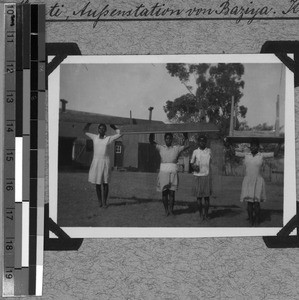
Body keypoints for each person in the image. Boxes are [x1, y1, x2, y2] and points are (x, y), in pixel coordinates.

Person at [234, 138, 281, 226]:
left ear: (258, 147)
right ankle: (251, 219)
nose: (253, 147)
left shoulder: (261, 155)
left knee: (256, 202)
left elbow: (275, 153)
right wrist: (227, 144)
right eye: (252, 146)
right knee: (249, 203)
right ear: (250, 147)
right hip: (248, 181)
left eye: (255, 146)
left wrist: (279, 143)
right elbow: (234, 153)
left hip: (258, 180)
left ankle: (257, 220)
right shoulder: (246, 155)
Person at [149, 132, 189, 216]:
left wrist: (186, 136)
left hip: (173, 172)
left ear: (172, 140)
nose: (168, 140)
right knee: (164, 192)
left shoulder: (176, 148)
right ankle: (166, 210)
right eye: (167, 138)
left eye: (170, 138)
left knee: (172, 193)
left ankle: (171, 210)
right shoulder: (161, 148)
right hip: (163, 172)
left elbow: (187, 145)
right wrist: (152, 132)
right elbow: (151, 142)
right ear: (164, 139)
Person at [83, 123, 122, 208]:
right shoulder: (94, 137)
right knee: (97, 183)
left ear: (105, 130)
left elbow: (119, 134)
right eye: (100, 128)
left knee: (105, 183)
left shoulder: (108, 139)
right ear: (98, 130)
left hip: (105, 162)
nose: (101, 130)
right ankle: (99, 201)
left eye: (103, 129)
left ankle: (104, 202)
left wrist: (114, 127)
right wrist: (88, 123)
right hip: (96, 162)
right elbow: (85, 131)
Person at [190, 135, 212, 221]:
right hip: (197, 176)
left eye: (203, 141)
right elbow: (191, 163)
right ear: (198, 142)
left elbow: (214, 161)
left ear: (206, 142)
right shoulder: (195, 151)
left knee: (206, 197)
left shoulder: (209, 151)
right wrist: (194, 167)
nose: (202, 143)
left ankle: (206, 214)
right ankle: (201, 214)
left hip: (206, 176)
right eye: (200, 141)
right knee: (199, 198)